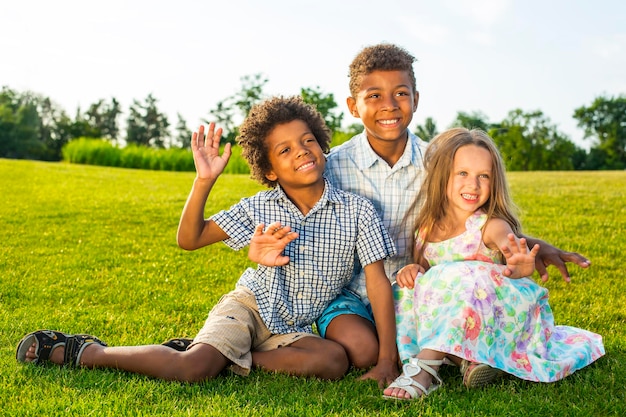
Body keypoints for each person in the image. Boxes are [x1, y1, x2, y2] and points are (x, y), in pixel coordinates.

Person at [15, 96, 398, 383]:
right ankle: (87, 352)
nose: (302, 151)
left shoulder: (358, 210)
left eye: (307, 140)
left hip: (292, 328)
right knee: (193, 369)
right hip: (251, 307)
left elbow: (378, 283)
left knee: (333, 362)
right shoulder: (258, 208)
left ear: (321, 142)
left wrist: (386, 360)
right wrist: (204, 182)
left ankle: (223, 357)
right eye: (285, 150)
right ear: (269, 169)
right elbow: (191, 238)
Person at [315, 43, 593, 387]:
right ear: (353, 106)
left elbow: (472, 222)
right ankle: (454, 355)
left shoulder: (439, 162)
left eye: (400, 93)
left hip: (415, 289)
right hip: (358, 291)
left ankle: (458, 358)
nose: (389, 105)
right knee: (362, 353)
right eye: (374, 96)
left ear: (416, 99)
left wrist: (532, 245)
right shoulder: (332, 166)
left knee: (455, 297)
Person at [382, 128, 605, 400]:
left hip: (501, 313)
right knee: (408, 286)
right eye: (462, 173)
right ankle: (470, 357)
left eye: (483, 176)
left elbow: (508, 244)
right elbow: (429, 276)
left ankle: (425, 369)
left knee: (464, 273)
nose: (473, 185)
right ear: (443, 177)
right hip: (462, 317)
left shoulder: (489, 224)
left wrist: (520, 265)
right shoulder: (427, 229)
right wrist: (413, 270)